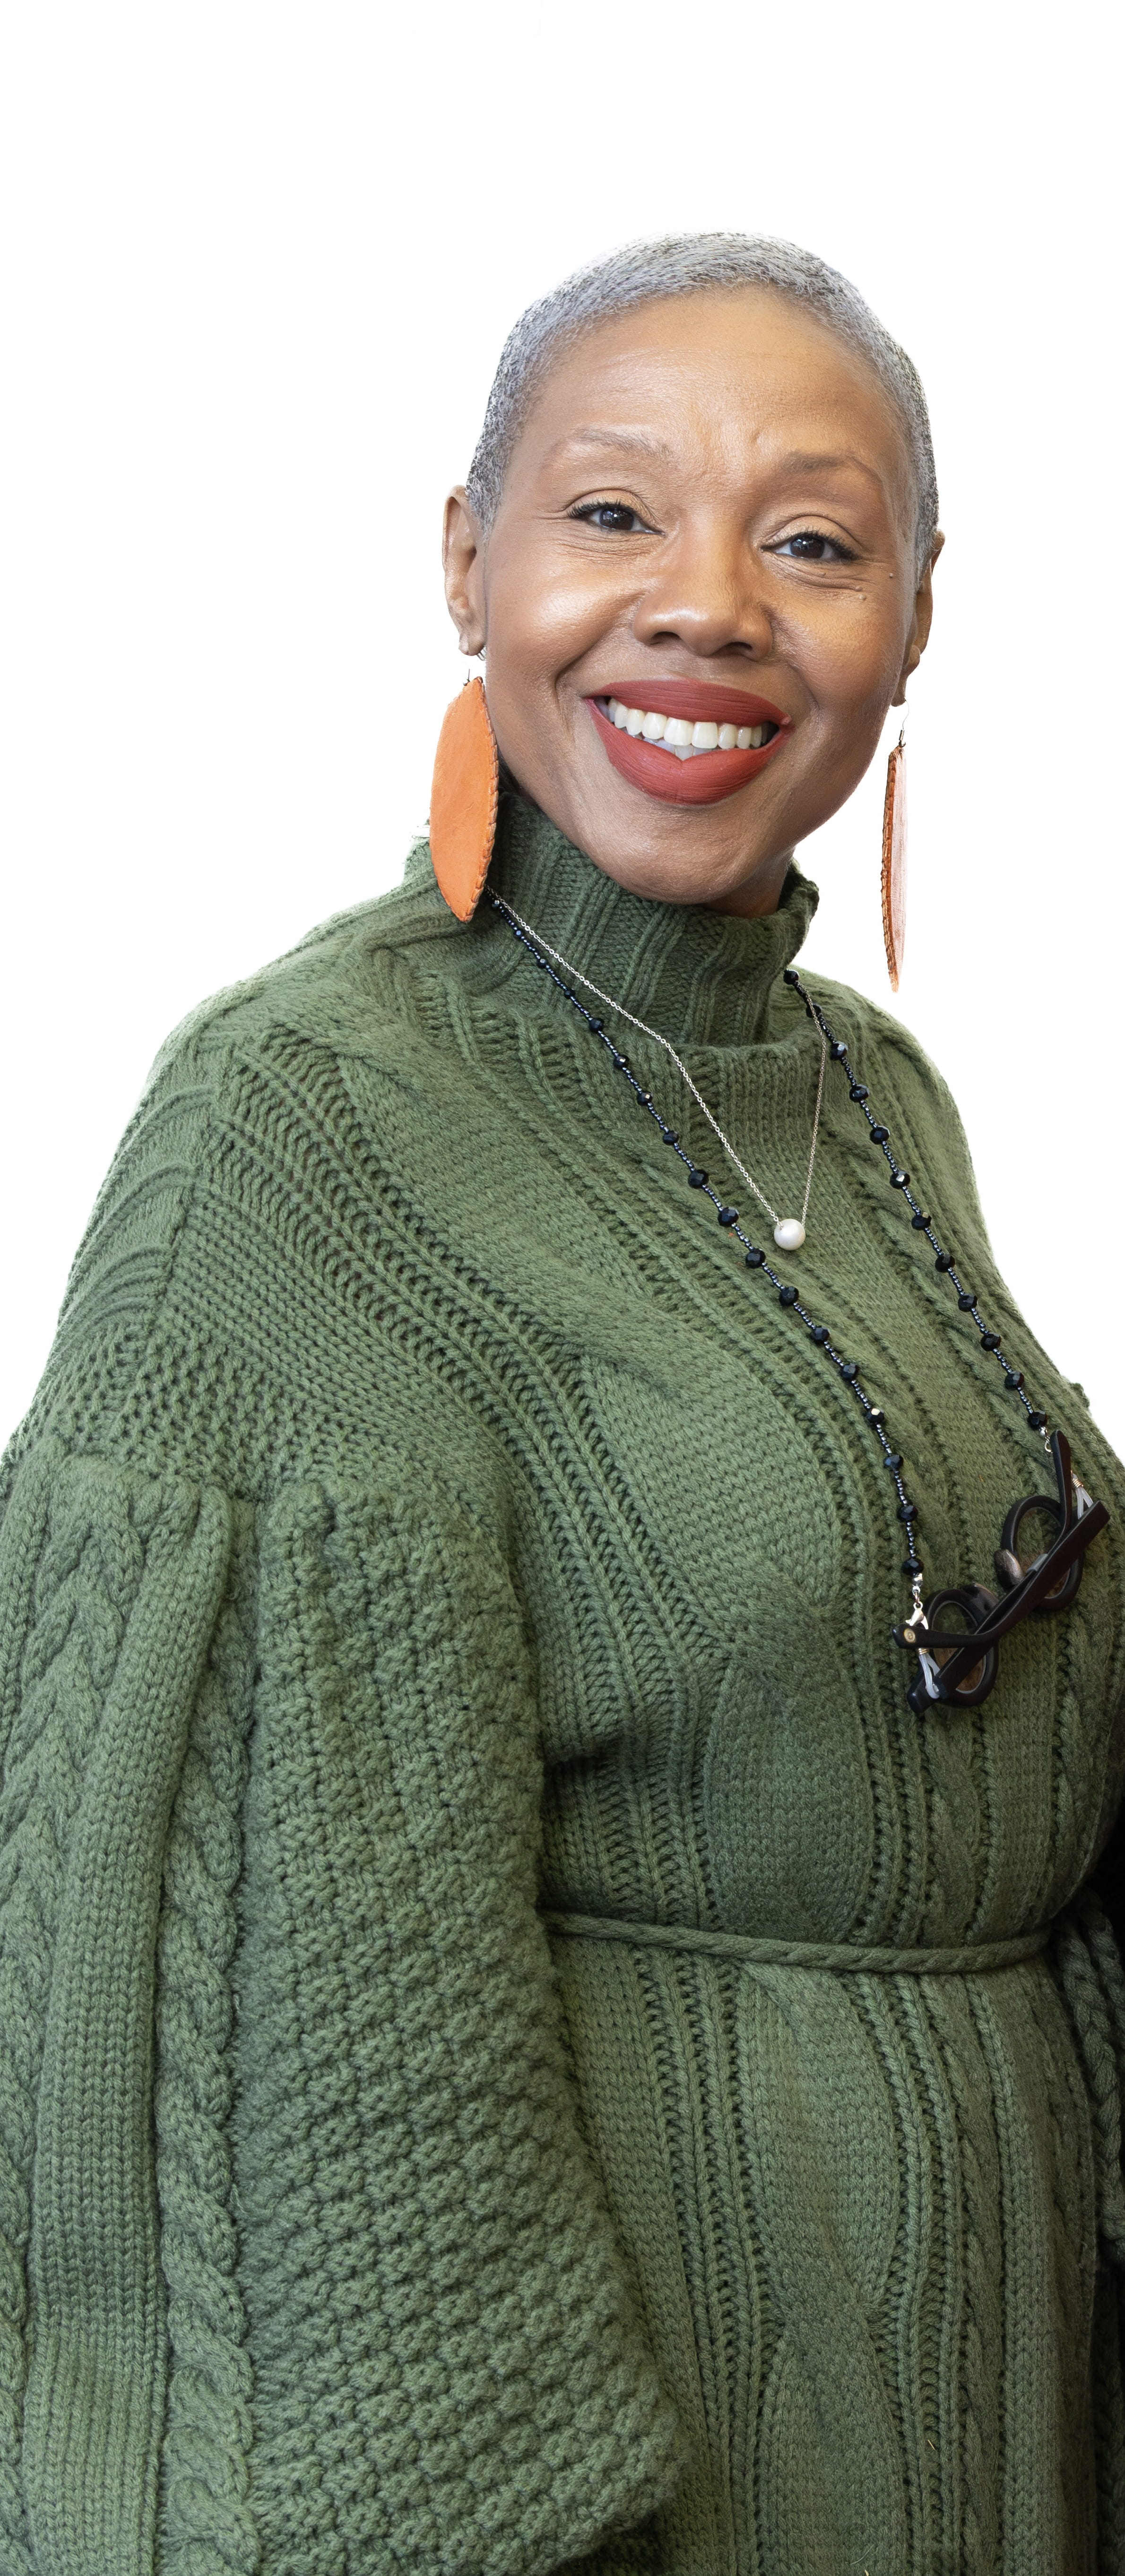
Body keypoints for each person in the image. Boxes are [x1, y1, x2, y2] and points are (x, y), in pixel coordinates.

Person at [0, 233, 1122, 2576]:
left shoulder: (877, 1098)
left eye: (811, 540)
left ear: (917, 615)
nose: (706, 603)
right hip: (632, 2460)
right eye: (613, 513)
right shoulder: (300, 1127)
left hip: (1011, 2402)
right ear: (466, 561)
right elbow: (267, 2033)